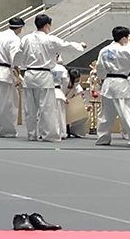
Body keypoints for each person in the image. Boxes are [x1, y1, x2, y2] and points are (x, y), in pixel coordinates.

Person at [17, 14, 86, 143]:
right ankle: (49, 135)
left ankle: (32, 134)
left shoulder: (26, 39)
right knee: (46, 107)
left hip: (29, 74)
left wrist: (15, 65)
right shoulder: (50, 39)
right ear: (47, 25)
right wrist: (80, 46)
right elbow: (66, 45)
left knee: (30, 108)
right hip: (43, 75)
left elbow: (18, 55)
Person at [94, 27, 130, 148]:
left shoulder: (104, 50)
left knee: (106, 113)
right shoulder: (123, 50)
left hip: (108, 82)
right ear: (124, 37)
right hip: (121, 82)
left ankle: (103, 137)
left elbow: (99, 67)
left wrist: (102, 78)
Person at [0, 17, 25, 138]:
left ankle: (0, 128)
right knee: (8, 104)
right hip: (5, 73)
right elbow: (15, 57)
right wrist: (17, 69)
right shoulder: (15, 39)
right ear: (20, 28)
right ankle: (7, 131)